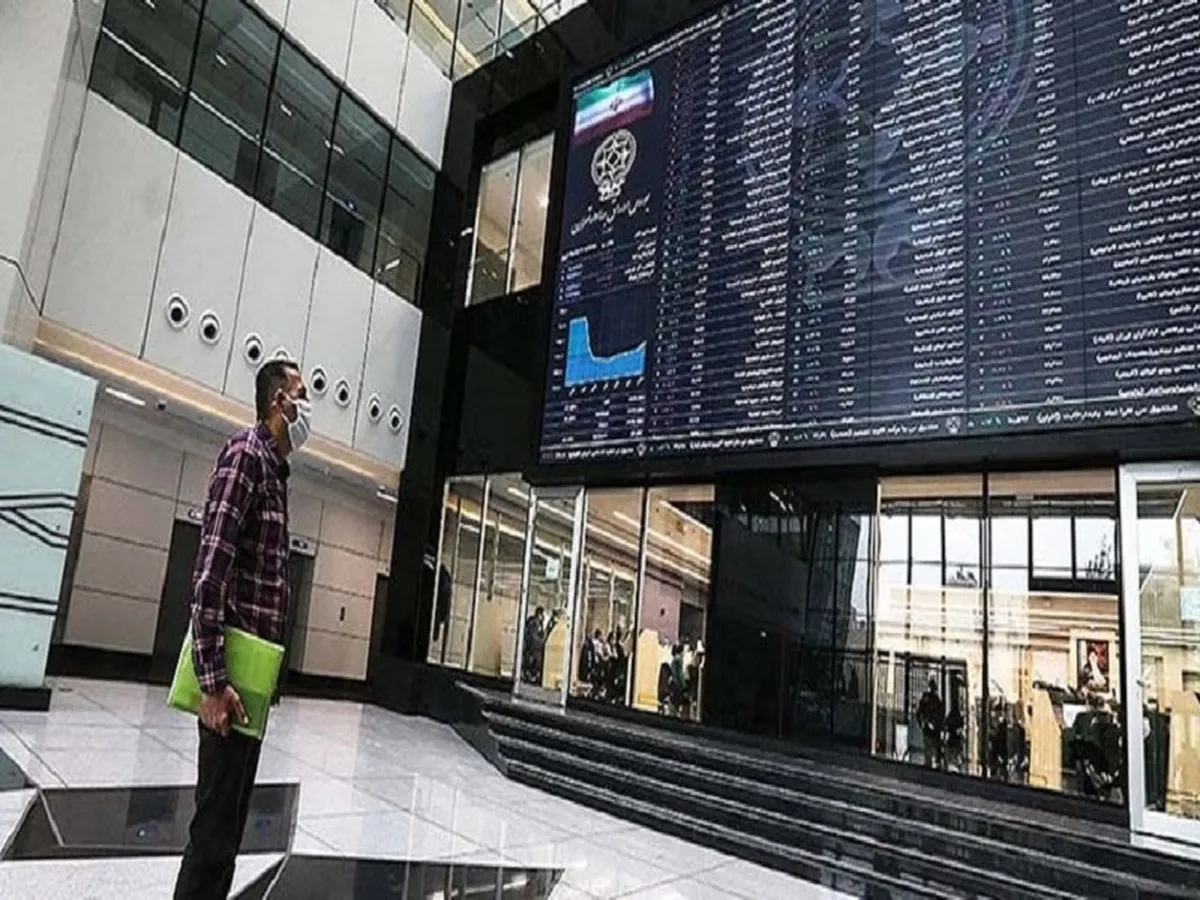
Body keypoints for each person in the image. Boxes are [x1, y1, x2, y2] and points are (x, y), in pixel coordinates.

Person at [173, 359, 310, 900]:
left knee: (227, 830)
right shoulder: (245, 458)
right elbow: (210, 574)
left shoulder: (275, 473)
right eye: (303, 394)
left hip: (250, 684)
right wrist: (212, 683)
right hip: (227, 683)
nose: (308, 407)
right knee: (211, 834)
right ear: (279, 401)